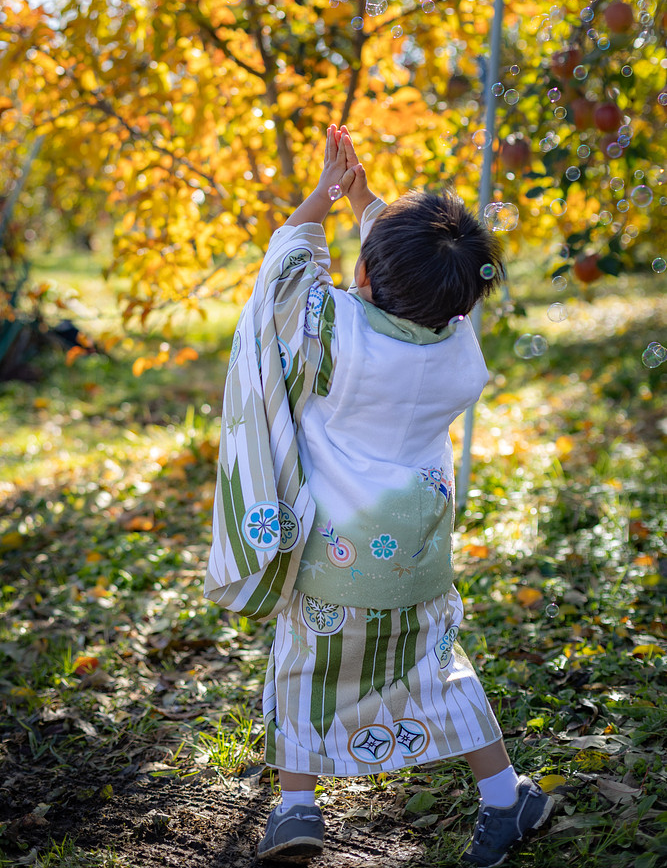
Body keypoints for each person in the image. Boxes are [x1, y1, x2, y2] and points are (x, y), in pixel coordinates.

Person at [204, 125, 554, 867]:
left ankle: (297, 808)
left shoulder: (333, 334)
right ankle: (505, 800)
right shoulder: (460, 352)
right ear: (465, 297)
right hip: (418, 558)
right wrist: (369, 205)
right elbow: (425, 283)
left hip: (331, 559)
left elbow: (286, 270)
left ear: (362, 272)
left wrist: (325, 195)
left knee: (304, 671)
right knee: (439, 671)